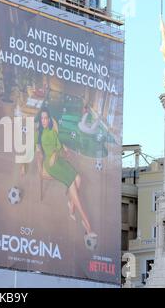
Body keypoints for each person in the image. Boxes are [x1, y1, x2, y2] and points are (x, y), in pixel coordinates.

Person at [35, 107, 97, 249]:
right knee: (74, 188)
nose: (44, 121)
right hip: (51, 165)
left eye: (46, 118)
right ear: (40, 120)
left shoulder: (53, 132)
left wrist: (61, 151)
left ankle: (71, 204)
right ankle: (88, 226)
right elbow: (40, 151)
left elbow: (57, 147)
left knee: (79, 178)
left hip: (58, 160)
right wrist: (43, 158)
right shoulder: (40, 134)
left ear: (49, 119)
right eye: (42, 118)